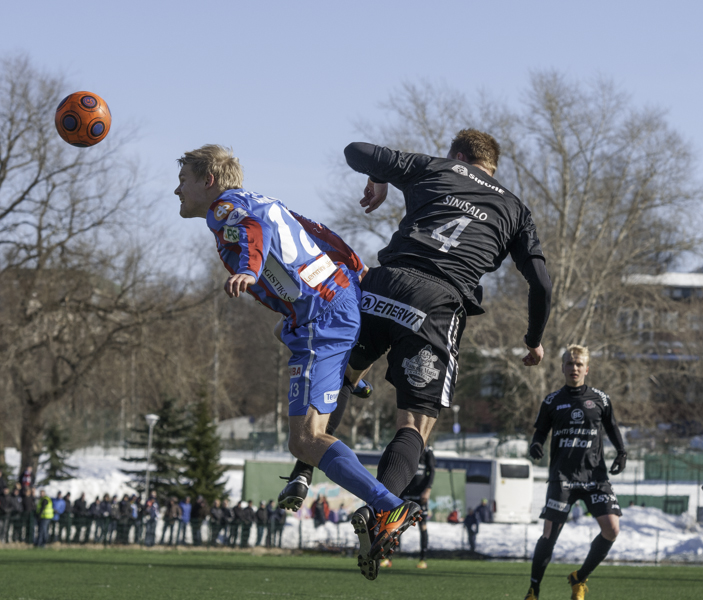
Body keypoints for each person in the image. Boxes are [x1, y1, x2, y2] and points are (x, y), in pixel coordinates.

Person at [175, 145, 413, 552]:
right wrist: (355, 266)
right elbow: (316, 230)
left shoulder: (224, 210)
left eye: (183, 181)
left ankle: (389, 506)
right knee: (281, 332)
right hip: (335, 299)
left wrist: (249, 269)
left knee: (304, 440)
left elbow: (252, 232)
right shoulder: (261, 199)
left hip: (321, 318)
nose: (176, 191)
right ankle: (349, 378)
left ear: (208, 181)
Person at [343, 129, 552, 579]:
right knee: (415, 424)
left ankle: (303, 470)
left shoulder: (435, 167)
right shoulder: (515, 209)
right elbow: (542, 284)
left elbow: (355, 151)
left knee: (343, 374)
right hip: (435, 303)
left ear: (457, 155)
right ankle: (381, 510)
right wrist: (533, 338)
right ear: (492, 166)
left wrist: (379, 175)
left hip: (381, 284)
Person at [523, 345, 627, 600]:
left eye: (579, 364)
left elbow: (612, 428)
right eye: (569, 364)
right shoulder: (552, 401)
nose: (574, 368)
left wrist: (622, 452)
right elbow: (540, 432)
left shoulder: (601, 399)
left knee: (612, 529)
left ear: (587, 369)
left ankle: (579, 577)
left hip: (595, 476)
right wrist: (536, 444)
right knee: (549, 535)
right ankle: (534, 590)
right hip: (563, 477)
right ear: (562, 368)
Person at [381, 445, 436, 569]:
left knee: (423, 527)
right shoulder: (408, 446)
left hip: (420, 496)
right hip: (406, 494)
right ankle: (388, 558)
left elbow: (432, 470)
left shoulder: (427, 450)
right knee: (397, 525)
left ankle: (423, 559)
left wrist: (427, 489)